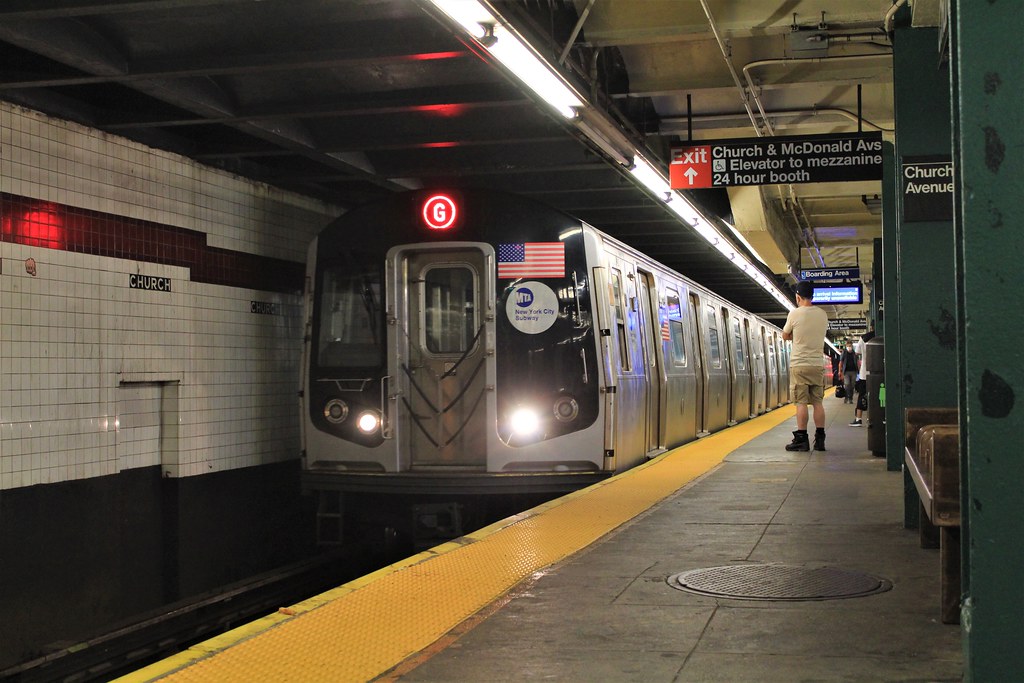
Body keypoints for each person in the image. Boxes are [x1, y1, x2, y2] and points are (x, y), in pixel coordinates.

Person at [782, 280, 830, 451]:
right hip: (817, 365)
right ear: (813, 296)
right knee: (818, 402)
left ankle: (802, 440)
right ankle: (820, 439)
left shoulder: (795, 314)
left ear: (798, 297)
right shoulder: (822, 314)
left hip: (799, 365)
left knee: (801, 402)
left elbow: (785, 335)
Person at [849, 325, 875, 426]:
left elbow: (857, 352)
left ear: (871, 327)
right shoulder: (885, 336)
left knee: (862, 395)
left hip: (865, 372)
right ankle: (880, 417)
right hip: (881, 372)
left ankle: (858, 419)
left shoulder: (863, 338)